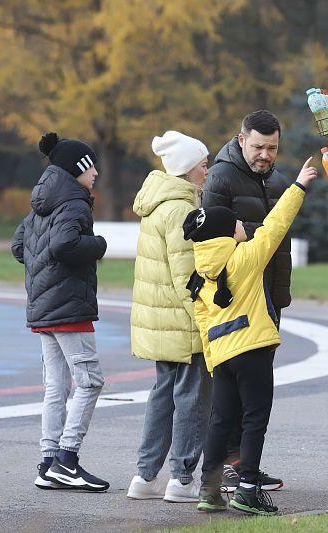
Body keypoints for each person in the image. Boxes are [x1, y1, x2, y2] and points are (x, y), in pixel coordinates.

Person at [185, 157, 317, 515]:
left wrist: (212, 363)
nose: (242, 224)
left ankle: (209, 490)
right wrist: (300, 185)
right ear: (227, 234)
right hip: (254, 351)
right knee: (254, 419)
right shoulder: (244, 259)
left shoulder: (200, 275)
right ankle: (247, 490)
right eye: (237, 223)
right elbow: (275, 226)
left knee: (221, 420)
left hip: (224, 357)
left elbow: (204, 323)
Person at [11, 132, 109, 492]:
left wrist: (43, 267)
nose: (96, 172)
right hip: (68, 307)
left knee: (57, 386)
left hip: (43, 307)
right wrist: (98, 245)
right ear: (77, 169)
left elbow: (19, 246)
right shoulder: (74, 203)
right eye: (91, 166)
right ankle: (67, 460)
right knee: (89, 381)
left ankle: (48, 463)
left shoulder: (41, 203)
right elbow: (65, 244)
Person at [202, 109, 288, 492]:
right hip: (236, 298)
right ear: (241, 141)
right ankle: (233, 467)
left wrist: (280, 294)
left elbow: (280, 246)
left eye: (272, 148)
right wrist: (262, 232)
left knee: (255, 392)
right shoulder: (221, 176)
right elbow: (211, 234)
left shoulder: (277, 180)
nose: (265, 155)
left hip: (269, 296)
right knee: (234, 396)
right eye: (258, 146)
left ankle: (244, 464)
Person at [126, 131, 212, 502]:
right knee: (192, 399)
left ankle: (145, 477)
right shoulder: (181, 210)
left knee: (162, 396)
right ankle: (181, 478)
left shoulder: (158, 203)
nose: (207, 170)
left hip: (160, 322)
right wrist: (204, 319)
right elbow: (186, 276)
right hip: (183, 320)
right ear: (186, 168)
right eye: (203, 164)